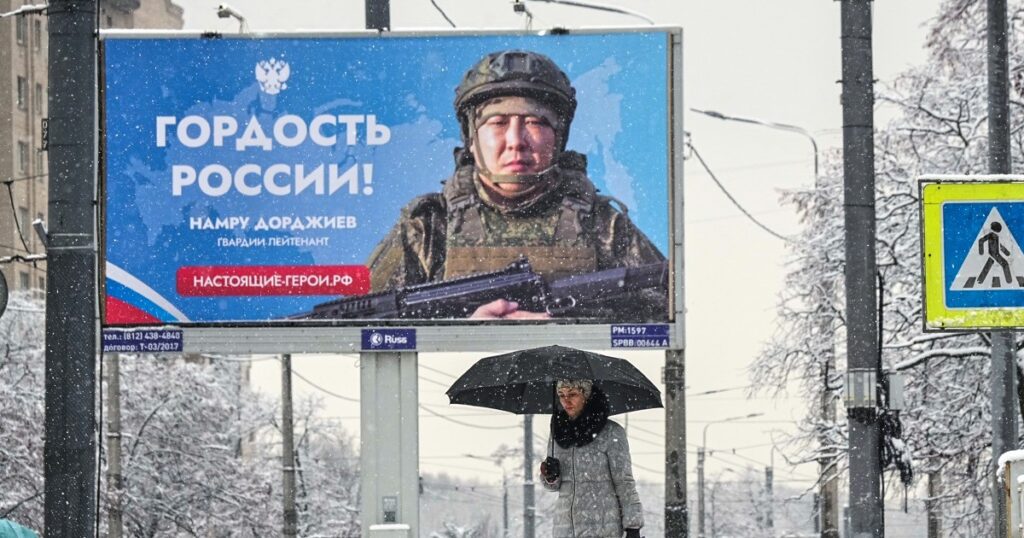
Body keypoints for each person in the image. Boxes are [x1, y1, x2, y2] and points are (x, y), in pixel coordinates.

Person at [366, 49, 666, 320]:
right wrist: (461, 332)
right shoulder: (429, 227)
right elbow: (362, 329)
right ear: (471, 136)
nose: (516, 141)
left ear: (558, 136)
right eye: (498, 123)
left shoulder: (602, 225)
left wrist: (568, 324)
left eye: (535, 122)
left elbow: (667, 312)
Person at [539, 379, 643, 538]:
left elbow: (624, 481)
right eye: (561, 395)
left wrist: (633, 527)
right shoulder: (558, 433)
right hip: (564, 529)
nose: (566, 400)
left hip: (602, 530)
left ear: (586, 396)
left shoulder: (611, 433)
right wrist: (550, 476)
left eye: (572, 394)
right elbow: (554, 487)